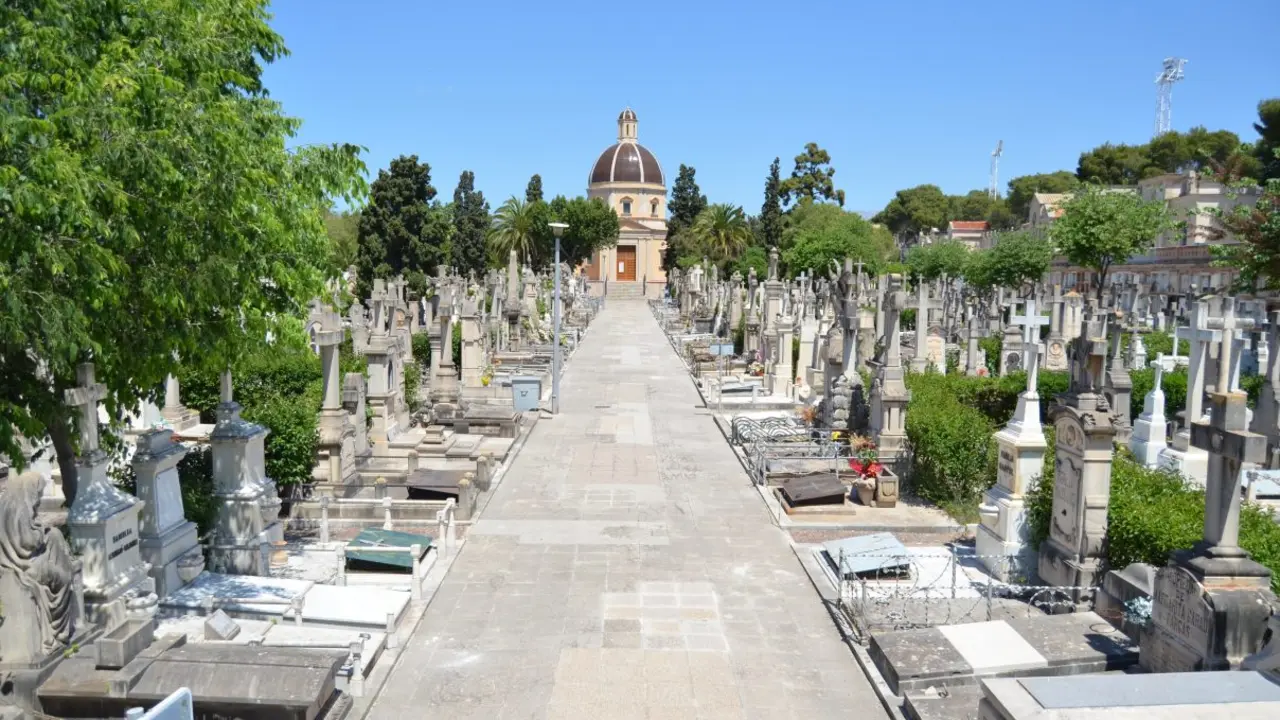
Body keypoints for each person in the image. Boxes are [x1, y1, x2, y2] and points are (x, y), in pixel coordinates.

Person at [0, 472, 78, 662]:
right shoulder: (19, 509)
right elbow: (29, 541)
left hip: (15, 562)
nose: (39, 498)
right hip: (25, 566)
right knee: (63, 578)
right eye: (39, 493)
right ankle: (59, 633)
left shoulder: (8, 503)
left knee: (55, 538)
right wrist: (42, 531)